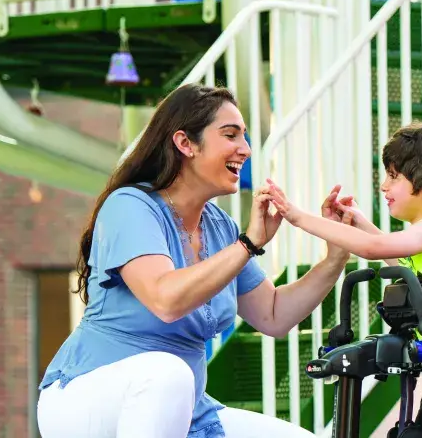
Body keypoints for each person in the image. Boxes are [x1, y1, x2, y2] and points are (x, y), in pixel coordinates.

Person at [36, 83, 353, 438]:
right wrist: (248, 244)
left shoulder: (220, 227)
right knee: (168, 375)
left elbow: (273, 314)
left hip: (187, 410)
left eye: (245, 137)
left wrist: (334, 258)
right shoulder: (129, 206)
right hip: (86, 401)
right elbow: (166, 300)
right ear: (184, 143)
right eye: (230, 135)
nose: (245, 149)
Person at [265, 122, 422, 438]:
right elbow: (396, 260)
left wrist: (298, 217)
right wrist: (359, 222)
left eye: (394, 177)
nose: (384, 186)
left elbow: (375, 249)